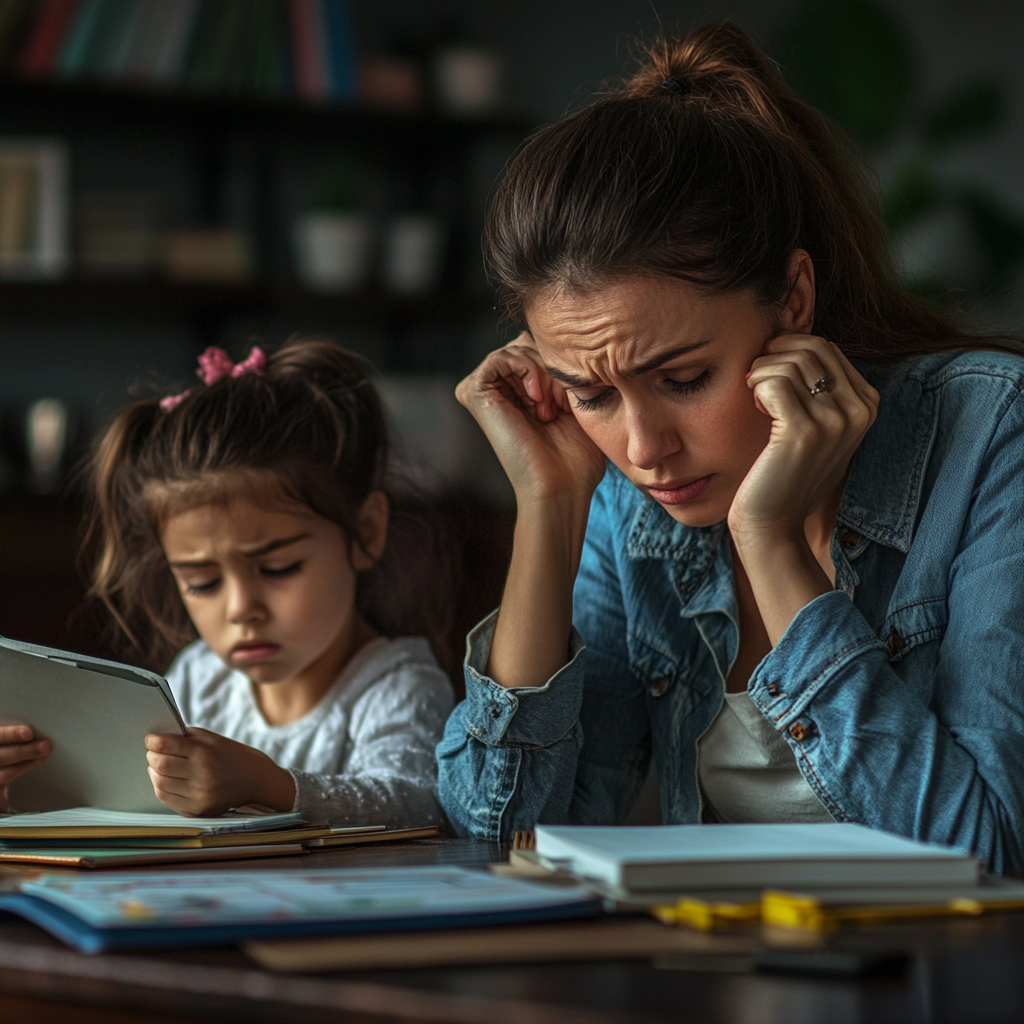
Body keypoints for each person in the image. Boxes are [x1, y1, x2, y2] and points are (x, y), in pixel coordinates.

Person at [436, 23, 1024, 874]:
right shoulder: (622, 496)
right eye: (591, 393)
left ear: (791, 301)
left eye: (683, 379)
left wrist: (772, 545)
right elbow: (500, 840)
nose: (643, 449)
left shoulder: (991, 434)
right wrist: (550, 507)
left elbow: (987, 856)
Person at [0, 340, 453, 826]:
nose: (241, 608)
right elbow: (139, 813)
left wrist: (269, 785)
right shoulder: (200, 678)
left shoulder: (397, 686)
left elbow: (416, 806)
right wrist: (21, 789)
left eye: (279, 569)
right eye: (202, 583)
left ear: (365, 533)